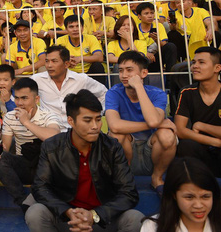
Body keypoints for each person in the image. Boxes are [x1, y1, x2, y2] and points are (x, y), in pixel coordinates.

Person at [24, 89, 144, 232]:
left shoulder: (112, 147)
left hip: (101, 221)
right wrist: (67, 212)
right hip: (68, 220)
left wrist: (95, 215)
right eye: (87, 120)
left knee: (135, 218)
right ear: (71, 121)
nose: (95, 126)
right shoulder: (52, 147)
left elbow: (129, 192)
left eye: (98, 119)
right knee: (35, 212)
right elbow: (40, 187)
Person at [174, 46, 221, 204]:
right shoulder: (186, 92)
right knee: (185, 146)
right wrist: (216, 141)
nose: (195, 66)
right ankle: (198, 185)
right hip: (201, 152)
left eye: (201, 62)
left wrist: (201, 125)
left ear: (217, 68)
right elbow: (180, 131)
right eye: (194, 62)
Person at [105, 51, 177, 195]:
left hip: (152, 149)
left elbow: (153, 120)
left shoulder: (157, 94)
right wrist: (159, 123)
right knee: (115, 135)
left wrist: (138, 87)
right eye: (120, 70)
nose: (124, 75)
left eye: (129, 70)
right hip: (127, 147)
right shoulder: (113, 92)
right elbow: (114, 125)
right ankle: (125, 178)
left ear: (143, 73)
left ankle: (156, 178)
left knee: (167, 135)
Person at [0, 77, 61, 211]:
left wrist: (26, 122)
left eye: (24, 98)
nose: (19, 103)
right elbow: (5, 147)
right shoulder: (10, 117)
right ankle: (22, 201)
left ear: (36, 99)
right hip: (24, 164)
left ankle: (43, 200)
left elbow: (54, 136)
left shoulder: (48, 115)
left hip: (46, 167)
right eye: (16, 98)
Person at [140, 157, 221, 232]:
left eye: (205, 196)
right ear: (174, 195)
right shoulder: (152, 227)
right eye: (189, 197)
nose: (198, 205)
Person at [32, 45, 107, 132]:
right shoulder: (37, 79)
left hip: (77, 131)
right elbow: (21, 95)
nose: (49, 65)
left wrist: (96, 114)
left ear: (66, 64)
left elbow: (104, 94)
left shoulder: (81, 79)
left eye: (54, 61)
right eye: (47, 61)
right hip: (50, 131)